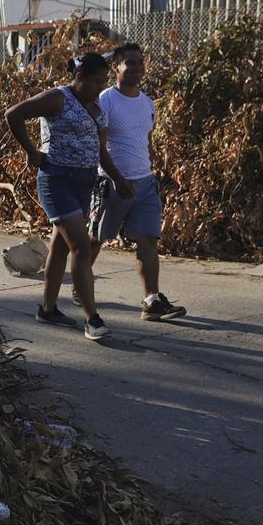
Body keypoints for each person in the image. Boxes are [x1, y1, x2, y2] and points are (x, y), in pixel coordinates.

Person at [4, 52, 126, 341]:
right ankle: (92, 319)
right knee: (82, 248)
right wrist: (31, 152)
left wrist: (119, 180)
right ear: (80, 77)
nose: (101, 87)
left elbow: (100, 151)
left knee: (60, 248)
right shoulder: (59, 98)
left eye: (104, 81)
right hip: (57, 181)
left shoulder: (96, 109)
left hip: (84, 183)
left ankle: (47, 308)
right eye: (97, 81)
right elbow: (13, 114)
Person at [78, 43, 187, 321]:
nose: (137, 67)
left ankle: (151, 301)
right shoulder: (106, 100)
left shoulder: (147, 103)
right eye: (130, 63)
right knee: (95, 239)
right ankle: (81, 285)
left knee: (148, 240)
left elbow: (144, 142)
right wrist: (117, 179)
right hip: (111, 184)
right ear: (116, 67)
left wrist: (150, 175)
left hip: (144, 184)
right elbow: (99, 147)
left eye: (140, 62)